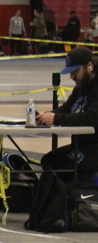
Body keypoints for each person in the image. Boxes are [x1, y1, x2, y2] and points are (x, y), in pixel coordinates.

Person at [35, 47, 98, 182]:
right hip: (80, 146)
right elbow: (66, 109)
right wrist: (47, 115)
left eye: (75, 71)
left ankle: (80, 189)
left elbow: (92, 117)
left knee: (62, 166)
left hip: (94, 149)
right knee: (49, 160)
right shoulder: (81, 87)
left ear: (90, 67)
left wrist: (56, 118)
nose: (72, 77)